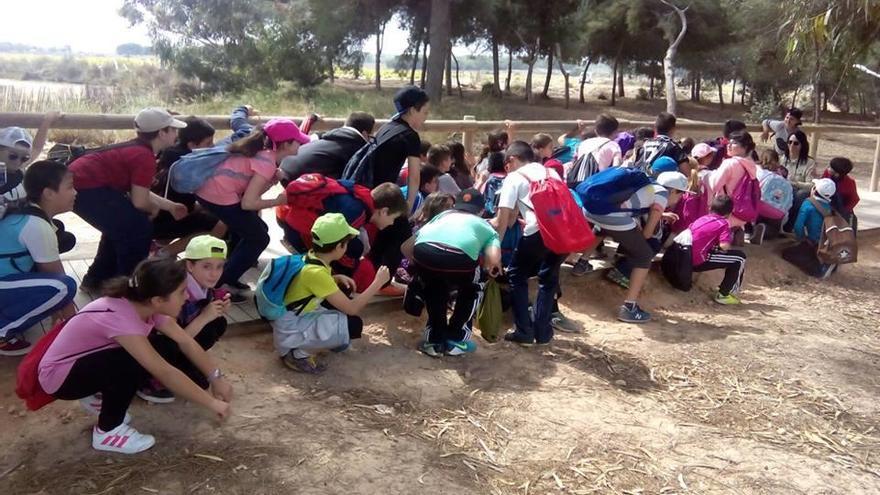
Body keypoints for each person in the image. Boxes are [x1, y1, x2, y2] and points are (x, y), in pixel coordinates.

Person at [39, 257, 233, 454]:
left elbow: (185, 341)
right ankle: (107, 431)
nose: (186, 297)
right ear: (158, 300)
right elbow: (165, 372)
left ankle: (98, 395)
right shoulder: (123, 318)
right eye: (182, 292)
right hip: (60, 378)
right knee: (132, 362)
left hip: (82, 364)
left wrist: (215, 377)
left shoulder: (144, 302)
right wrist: (212, 403)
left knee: (162, 347)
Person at [70, 108, 190, 290]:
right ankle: (127, 288)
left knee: (120, 228)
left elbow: (140, 192)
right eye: (172, 129)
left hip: (81, 185)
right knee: (138, 229)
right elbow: (140, 201)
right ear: (161, 133)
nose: (176, 133)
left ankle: (97, 280)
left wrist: (170, 206)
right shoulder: (144, 156)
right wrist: (153, 209)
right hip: (84, 188)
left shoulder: (139, 149)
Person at [195, 119, 310, 297]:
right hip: (217, 195)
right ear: (285, 144)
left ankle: (227, 275)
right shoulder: (267, 161)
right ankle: (219, 284)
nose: (301, 143)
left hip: (212, 191)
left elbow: (250, 193)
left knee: (257, 231)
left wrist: (272, 181)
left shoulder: (264, 153)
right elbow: (248, 203)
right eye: (297, 141)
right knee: (259, 238)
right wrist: (279, 201)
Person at [274, 213, 392, 374]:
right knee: (352, 325)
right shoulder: (317, 273)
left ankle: (308, 343)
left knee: (344, 297)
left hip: (291, 319)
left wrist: (335, 278)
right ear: (339, 247)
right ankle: (298, 354)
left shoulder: (312, 258)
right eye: (346, 243)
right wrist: (377, 283)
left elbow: (309, 284)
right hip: (290, 330)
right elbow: (352, 308)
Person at [403, 189, 501, 357]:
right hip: (460, 260)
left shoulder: (442, 217)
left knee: (434, 288)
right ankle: (456, 338)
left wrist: (422, 267)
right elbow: (493, 262)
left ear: (455, 205)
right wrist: (493, 270)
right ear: (482, 211)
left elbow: (405, 248)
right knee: (474, 286)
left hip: (425, 252)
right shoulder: (486, 226)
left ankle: (434, 341)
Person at [136, 235, 232, 403]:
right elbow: (174, 337)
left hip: (176, 336)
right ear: (190, 265)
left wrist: (216, 309)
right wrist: (204, 316)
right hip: (149, 345)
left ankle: (184, 366)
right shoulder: (172, 288)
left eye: (219, 267)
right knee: (171, 343)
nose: (214, 273)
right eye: (207, 266)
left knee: (217, 323)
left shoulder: (199, 283)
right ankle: (150, 381)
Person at [582, 171, 686, 323]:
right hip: (608, 215)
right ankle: (629, 308)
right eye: (680, 194)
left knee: (604, 226)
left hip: (590, 210)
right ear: (672, 190)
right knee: (644, 255)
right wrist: (650, 226)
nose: (678, 199)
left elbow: (632, 206)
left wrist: (660, 215)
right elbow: (647, 234)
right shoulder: (662, 195)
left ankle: (582, 263)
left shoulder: (649, 186)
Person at [0, 161, 78, 355]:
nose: (75, 192)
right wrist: (75, 327)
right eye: (70, 187)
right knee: (64, 286)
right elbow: (56, 277)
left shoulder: (30, 212)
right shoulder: (36, 225)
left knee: (64, 240)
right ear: (48, 193)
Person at [491, 141, 565, 345]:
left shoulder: (515, 177)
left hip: (538, 232)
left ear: (512, 160)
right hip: (562, 232)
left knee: (516, 274)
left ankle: (523, 330)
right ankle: (543, 332)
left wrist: (494, 251)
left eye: (507, 165)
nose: (507, 170)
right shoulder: (550, 172)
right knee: (548, 278)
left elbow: (502, 221)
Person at [152, 116, 225, 257]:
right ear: (192, 145)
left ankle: (160, 245)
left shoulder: (169, 152)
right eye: (208, 143)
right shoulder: (189, 165)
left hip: (157, 214)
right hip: (168, 217)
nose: (213, 146)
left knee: (204, 210)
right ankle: (164, 254)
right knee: (220, 222)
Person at [669, 195, 747, 305]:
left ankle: (725, 291)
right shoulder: (723, 223)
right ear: (729, 213)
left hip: (682, 254)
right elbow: (724, 246)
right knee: (739, 258)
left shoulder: (702, 218)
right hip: (696, 259)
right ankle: (725, 294)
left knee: (732, 256)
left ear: (710, 208)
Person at [280, 112, 375, 181]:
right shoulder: (357, 146)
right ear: (365, 134)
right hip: (298, 177)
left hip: (284, 166)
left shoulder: (329, 135)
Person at [707, 130, 760, 241]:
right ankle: (737, 231)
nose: (729, 146)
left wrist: (712, 173)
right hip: (741, 211)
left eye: (734, 143)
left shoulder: (729, 163)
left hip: (724, 211)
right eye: (729, 143)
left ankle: (726, 235)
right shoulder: (751, 165)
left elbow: (713, 185)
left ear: (745, 147)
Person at [789, 178, 838, 278]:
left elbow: (798, 226)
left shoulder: (808, 204)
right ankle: (829, 261)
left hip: (813, 241)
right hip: (827, 242)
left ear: (814, 190)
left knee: (788, 254)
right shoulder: (830, 207)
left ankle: (820, 269)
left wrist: (801, 238)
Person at [823, 157, 860, 227]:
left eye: (831, 168)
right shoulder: (827, 174)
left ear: (837, 174)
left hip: (840, 206)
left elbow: (855, 199)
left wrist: (845, 211)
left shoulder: (850, 183)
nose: (828, 168)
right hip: (826, 200)